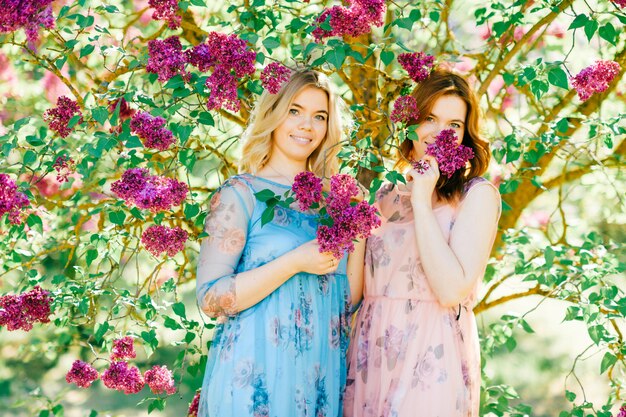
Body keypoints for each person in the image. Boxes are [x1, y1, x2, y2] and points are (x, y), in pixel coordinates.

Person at [195, 69, 365, 417]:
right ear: (273, 113)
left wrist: (358, 225)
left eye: (319, 116)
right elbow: (211, 299)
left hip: (319, 380)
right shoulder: (241, 194)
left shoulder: (337, 204)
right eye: (294, 110)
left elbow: (347, 300)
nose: (307, 125)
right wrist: (293, 262)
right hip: (254, 380)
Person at [343, 69, 501, 417]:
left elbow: (449, 291)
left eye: (454, 124)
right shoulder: (383, 195)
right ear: (411, 122)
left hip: (432, 358)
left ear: (465, 135)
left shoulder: (476, 196)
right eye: (430, 117)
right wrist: (351, 220)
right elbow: (354, 296)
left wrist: (421, 198)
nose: (440, 132)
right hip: (370, 359)